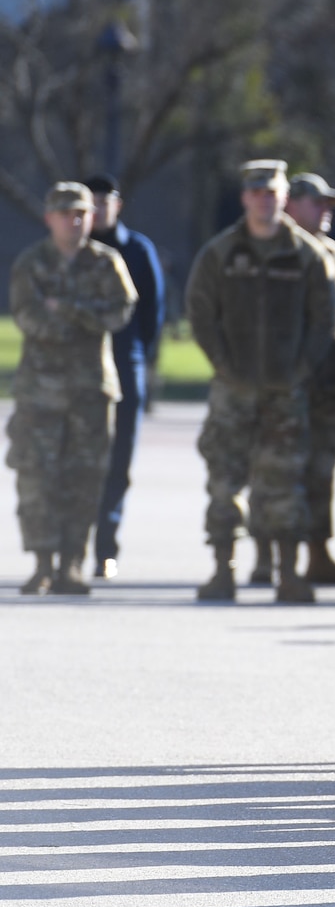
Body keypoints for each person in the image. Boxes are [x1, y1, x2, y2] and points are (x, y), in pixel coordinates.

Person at [184, 160, 335, 604]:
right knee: (223, 479)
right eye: (256, 193)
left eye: (272, 193)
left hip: (285, 390)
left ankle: (288, 574)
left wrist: (300, 368)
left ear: (282, 198)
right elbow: (200, 311)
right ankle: (223, 570)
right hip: (233, 389)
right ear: (245, 198)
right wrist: (223, 362)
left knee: (283, 479)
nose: (264, 201)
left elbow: (323, 318)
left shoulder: (308, 255)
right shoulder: (221, 252)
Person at [8, 182, 137, 594]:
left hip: (90, 389)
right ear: (49, 218)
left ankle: (73, 563)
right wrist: (81, 319)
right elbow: (26, 315)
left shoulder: (106, 262)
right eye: (65, 213)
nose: (74, 220)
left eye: (81, 213)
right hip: (38, 390)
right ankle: (42, 561)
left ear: (92, 218)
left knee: (85, 477)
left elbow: (120, 312)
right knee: (36, 477)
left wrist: (65, 309)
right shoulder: (31, 263)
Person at [275, 171, 335, 588]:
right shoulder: (278, 250)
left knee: (322, 467)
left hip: (329, 377)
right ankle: (269, 554)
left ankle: (317, 552)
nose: (325, 211)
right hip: (289, 379)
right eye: (317, 202)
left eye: (329, 204)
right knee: (278, 467)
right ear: (290, 204)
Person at [81, 174, 163, 580]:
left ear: (118, 205)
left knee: (118, 461)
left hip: (124, 365)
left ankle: (105, 547)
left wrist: (139, 359)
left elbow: (153, 313)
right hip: (78, 371)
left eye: (103, 201)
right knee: (77, 461)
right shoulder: (70, 253)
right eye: (88, 203)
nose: (96, 210)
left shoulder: (137, 250)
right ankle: (72, 546)